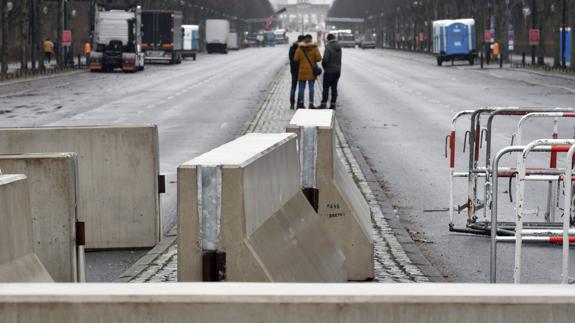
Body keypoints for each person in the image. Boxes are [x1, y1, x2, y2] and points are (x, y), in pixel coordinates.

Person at [294, 34, 321, 109]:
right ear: (311, 39)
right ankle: (311, 104)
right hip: (311, 72)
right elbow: (319, 58)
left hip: (302, 71)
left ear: (305, 40)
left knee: (301, 88)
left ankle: (301, 104)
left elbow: (295, 59)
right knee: (311, 88)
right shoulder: (314, 48)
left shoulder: (300, 48)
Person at [320, 33, 342, 110]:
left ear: (328, 39)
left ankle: (323, 104)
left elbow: (325, 59)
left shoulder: (328, 47)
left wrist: (324, 67)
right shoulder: (339, 47)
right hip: (337, 71)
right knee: (334, 88)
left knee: (326, 88)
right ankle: (333, 105)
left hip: (329, 71)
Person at [289, 35, 305, 110]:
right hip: (301, 70)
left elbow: (291, 59)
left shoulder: (292, 48)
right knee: (301, 87)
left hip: (293, 70)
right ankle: (299, 103)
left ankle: (292, 103)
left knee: (293, 87)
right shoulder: (302, 48)